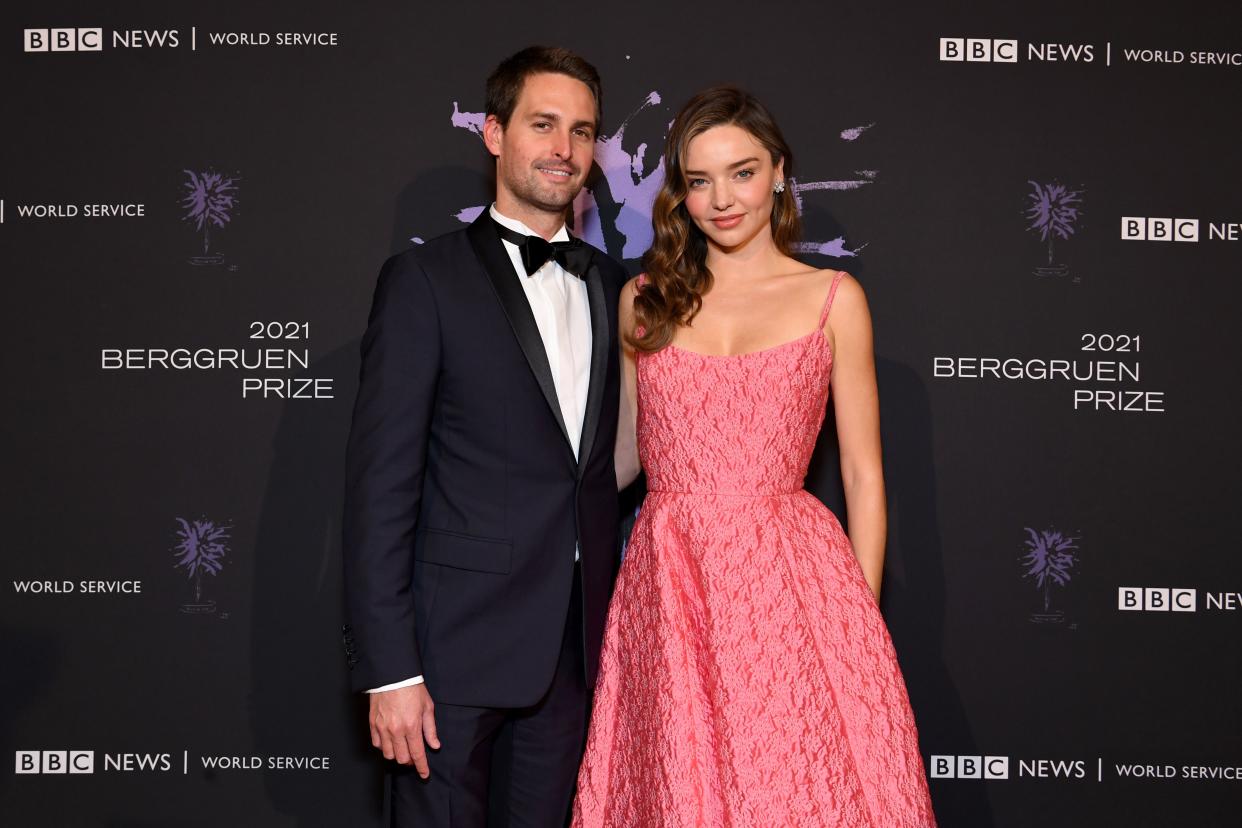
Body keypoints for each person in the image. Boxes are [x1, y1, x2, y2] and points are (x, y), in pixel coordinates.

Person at [573, 87, 937, 826]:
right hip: (670, 579)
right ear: (681, 192)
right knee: (680, 792)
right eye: (700, 181)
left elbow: (864, 476)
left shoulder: (833, 298)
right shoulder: (645, 299)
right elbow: (625, 457)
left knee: (792, 790)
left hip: (794, 587)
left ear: (778, 171)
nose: (722, 200)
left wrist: (857, 622)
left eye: (741, 173)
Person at [342, 46, 627, 826]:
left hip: (572, 655)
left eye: (581, 130)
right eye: (542, 124)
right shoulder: (425, 281)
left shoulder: (611, 285)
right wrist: (390, 670)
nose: (564, 149)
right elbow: (381, 488)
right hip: (449, 659)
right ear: (495, 132)